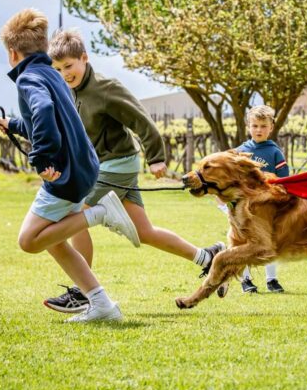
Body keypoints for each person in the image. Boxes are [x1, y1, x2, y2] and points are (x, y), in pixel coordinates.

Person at [42, 29, 224, 314]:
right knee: (144, 231)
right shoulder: (71, 91)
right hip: (102, 165)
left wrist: (156, 157)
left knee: (74, 215)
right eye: (58, 69)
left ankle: (83, 291)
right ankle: (208, 257)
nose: (65, 73)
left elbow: (140, 119)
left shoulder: (104, 88)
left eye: (69, 66)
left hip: (118, 164)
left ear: (84, 58)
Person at [0, 8, 140, 323]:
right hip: (85, 167)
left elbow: (44, 110)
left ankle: (100, 214)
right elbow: (48, 116)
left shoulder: (28, 78)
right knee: (54, 239)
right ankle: (101, 304)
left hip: (66, 173)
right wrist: (15, 124)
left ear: (12, 53)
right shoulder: (51, 73)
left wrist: (41, 158)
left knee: (29, 240)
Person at [219, 104, 289, 294]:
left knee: (269, 240)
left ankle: (272, 280)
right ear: (248, 126)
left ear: (271, 127)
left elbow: (284, 180)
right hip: (242, 208)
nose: (259, 130)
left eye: (263, 126)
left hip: (266, 208)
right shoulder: (239, 152)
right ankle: (246, 280)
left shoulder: (275, 152)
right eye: (255, 125)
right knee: (242, 242)